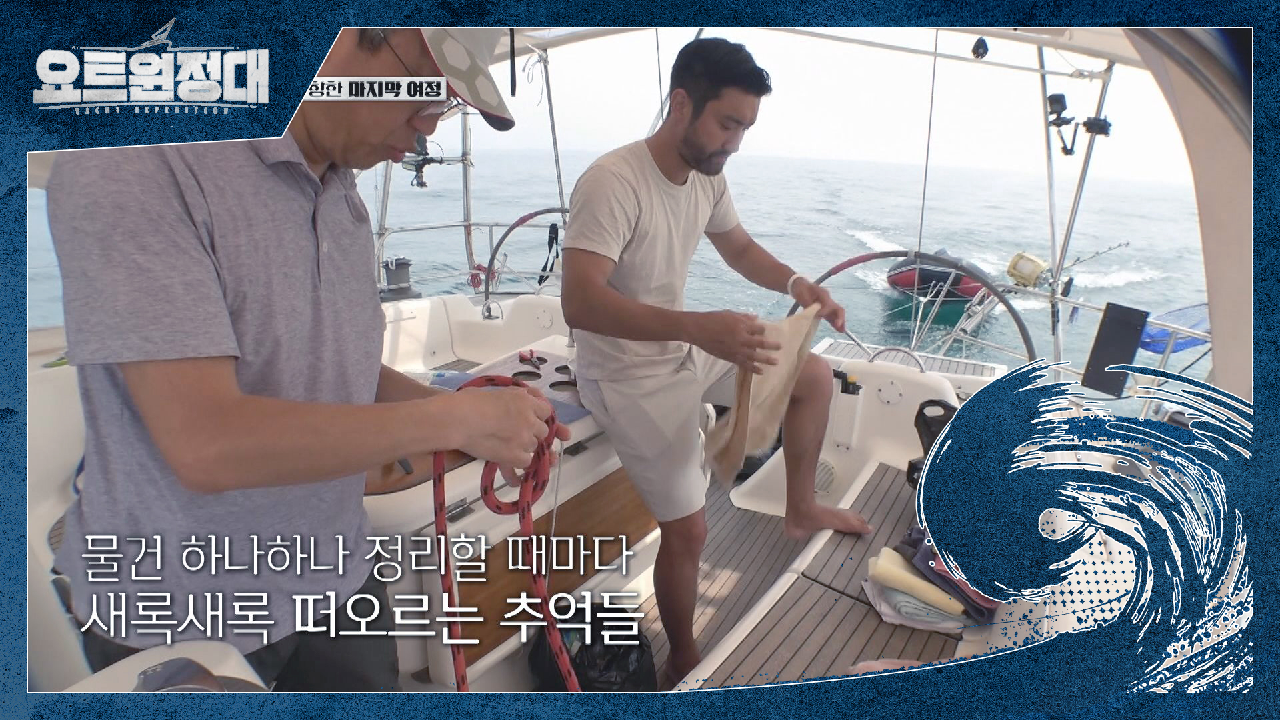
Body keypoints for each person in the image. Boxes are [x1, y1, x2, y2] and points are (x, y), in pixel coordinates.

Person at [47, 27, 568, 691]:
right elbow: (206, 443)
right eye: (426, 93)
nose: (428, 128)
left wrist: (479, 415)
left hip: (338, 581)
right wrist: (456, 423)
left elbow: (340, 368)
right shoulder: (136, 157)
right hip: (183, 616)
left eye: (443, 106)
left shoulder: (340, 189)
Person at [560, 37, 873, 687]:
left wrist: (800, 286)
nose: (734, 142)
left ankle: (800, 507)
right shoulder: (613, 181)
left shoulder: (707, 175)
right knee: (692, 532)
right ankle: (684, 655)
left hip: (684, 349)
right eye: (727, 123)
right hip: (625, 375)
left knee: (813, 377)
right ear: (681, 104)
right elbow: (580, 303)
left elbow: (739, 247)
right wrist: (698, 328)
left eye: (745, 128)